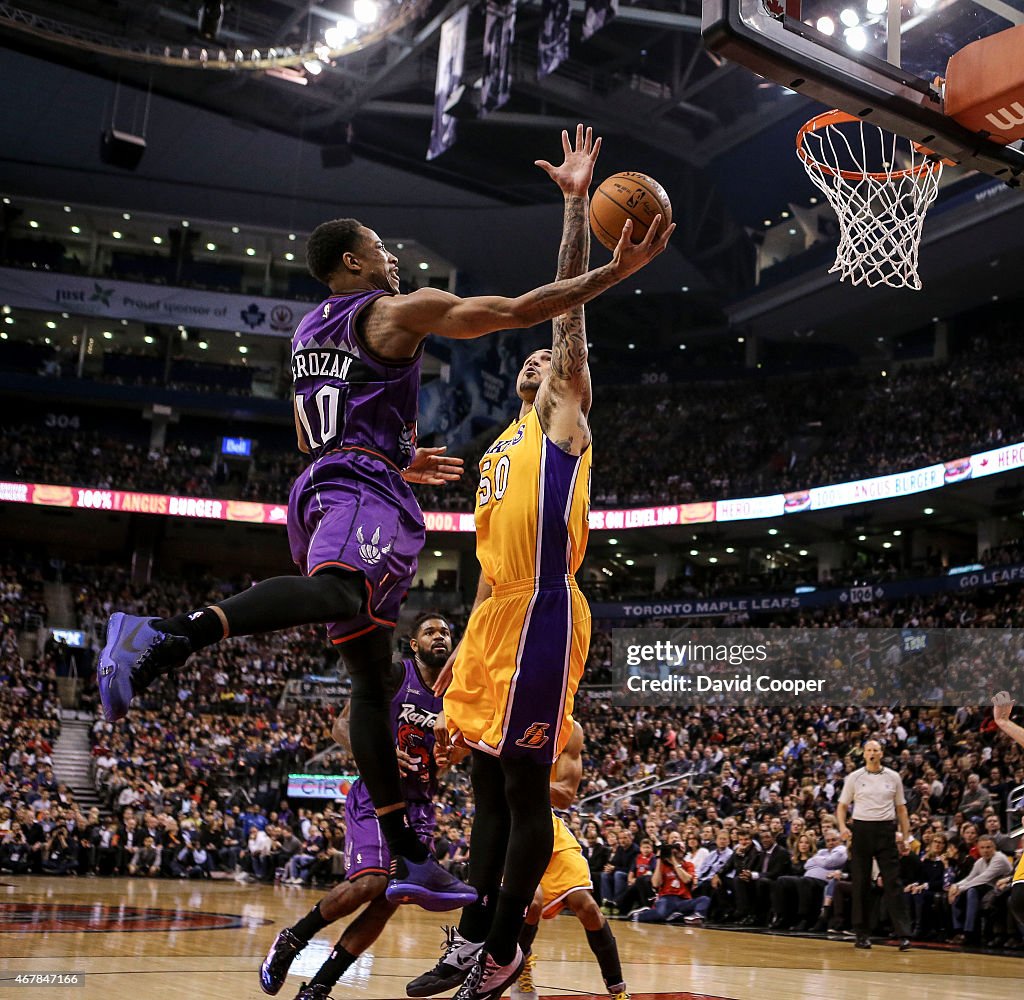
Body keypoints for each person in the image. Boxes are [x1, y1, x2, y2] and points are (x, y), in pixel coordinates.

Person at [95, 134, 671, 913]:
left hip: (326, 483)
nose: (390, 258)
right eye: (378, 249)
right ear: (354, 265)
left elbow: (309, 435)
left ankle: (408, 854)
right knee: (337, 594)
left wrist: (395, 459)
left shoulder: (305, 336)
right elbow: (515, 311)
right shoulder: (395, 311)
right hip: (363, 490)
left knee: (372, 678)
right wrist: (617, 271)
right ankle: (166, 634)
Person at [414, 124, 665, 1000]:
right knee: (484, 790)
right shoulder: (497, 448)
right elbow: (483, 566)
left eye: (548, 360)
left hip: (546, 612)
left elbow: (565, 311)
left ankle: (502, 942)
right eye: (526, 360)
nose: (537, 361)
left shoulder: (565, 419)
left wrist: (572, 203)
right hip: (492, 621)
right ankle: (471, 938)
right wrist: (456, 662)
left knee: (524, 793)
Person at [260, 613, 452, 1000]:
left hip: (421, 805)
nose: (440, 637)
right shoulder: (397, 676)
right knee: (371, 881)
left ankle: (318, 987)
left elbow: (455, 750)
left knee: (388, 900)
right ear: (414, 644)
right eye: (430, 632)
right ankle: (293, 939)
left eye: (446, 632)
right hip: (377, 796)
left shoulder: (457, 691)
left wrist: (453, 754)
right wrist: (377, 751)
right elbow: (342, 727)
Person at [836, 739, 913, 951]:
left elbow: (902, 810)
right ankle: (861, 933)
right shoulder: (854, 777)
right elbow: (842, 806)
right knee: (861, 883)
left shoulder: (893, 777)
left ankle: (903, 934)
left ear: (882, 753)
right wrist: (843, 827)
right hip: (861, 829)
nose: (872, 753)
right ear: (864, 753)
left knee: (893, 882)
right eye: (868, 750)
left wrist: (906, 838)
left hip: (886, 830)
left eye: (875, 750)